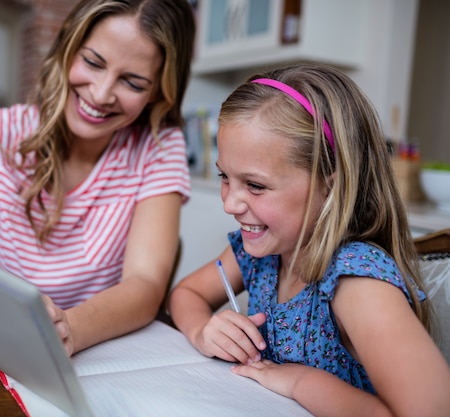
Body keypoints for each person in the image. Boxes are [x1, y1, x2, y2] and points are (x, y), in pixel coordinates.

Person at [0, 0, 196, 357]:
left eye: (133, 82)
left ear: (158, 91)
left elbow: (145, 284)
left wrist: (68, 330)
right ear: (66, 48)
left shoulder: (159, 146)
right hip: (1, 348)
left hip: (100, 349)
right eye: (93, 62)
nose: (100, 94)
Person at [168, 63, 450, 416]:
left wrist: (299, 382)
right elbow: (185, 293)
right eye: (225, 177)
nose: (230, 203)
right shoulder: (263, 252)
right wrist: (202, 331)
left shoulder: (355, 279)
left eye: (255, 185)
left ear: (330, 187)